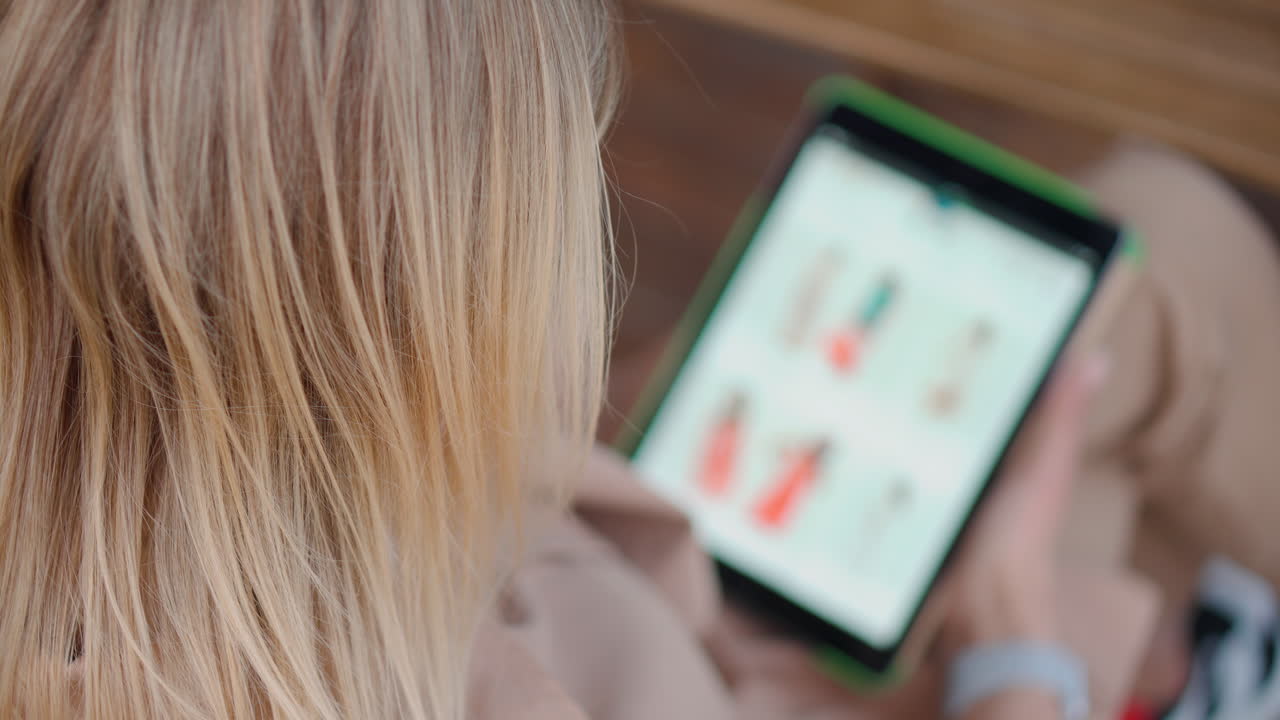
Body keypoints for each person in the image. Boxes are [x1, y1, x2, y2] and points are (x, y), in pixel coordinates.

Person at [3, 3, 1279, 720]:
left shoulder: (126, 509)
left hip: (621, 567)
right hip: (828, 670)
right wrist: (1012, 652)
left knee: (1109, 242)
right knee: (1157, 260)